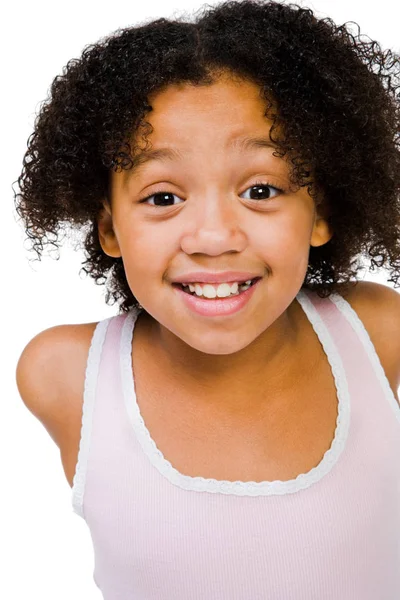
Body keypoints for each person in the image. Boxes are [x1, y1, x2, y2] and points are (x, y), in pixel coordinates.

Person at [14, 0, 400, 598]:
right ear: (110, 227)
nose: (215, 238)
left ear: (320, 210)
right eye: (163, 197)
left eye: (261, 189)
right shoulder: (65, 374)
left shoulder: (377, 333)